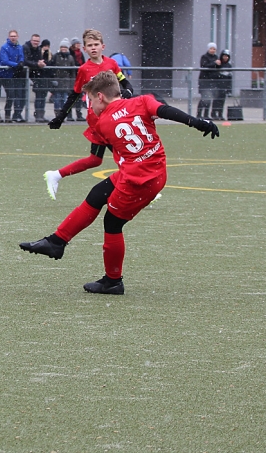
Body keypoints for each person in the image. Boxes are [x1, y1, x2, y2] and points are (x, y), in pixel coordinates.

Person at [20, 71, 219, 295]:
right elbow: (165, 110)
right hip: (152, 171)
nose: (90, 106)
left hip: (138, 180)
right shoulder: (142, 102)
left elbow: (97, 153)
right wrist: (197, 122)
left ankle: (112, 281)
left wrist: (64, 117)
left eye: (91, 101)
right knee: (97, 194)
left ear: (100, 96)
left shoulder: (102, 122)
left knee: (112, 223)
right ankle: (56, 241)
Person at [52, 29, 133, 130]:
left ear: (103, 46)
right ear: (84, 49)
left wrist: (128, 91)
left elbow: (125, 82)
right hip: (95, 115)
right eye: (90, 45)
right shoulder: (83, 69)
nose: (93, 48)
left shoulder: (112, 64)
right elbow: (75, 95)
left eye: (96, 44)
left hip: (114, 113)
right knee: (98, 140)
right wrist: (61, 116)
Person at [0, 29, 25, 123]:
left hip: (9, 75)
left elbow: (21, 57)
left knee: (10, 95)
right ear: (8, 37)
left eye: (14, 36)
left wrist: (21, 62)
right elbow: (4, 61)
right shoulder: (4, 47)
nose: (13, 38)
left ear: (17, 37)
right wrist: (16, 65)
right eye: (11, 36)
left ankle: (7, 115)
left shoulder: (19, 47)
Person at [23, 33, 49, 123]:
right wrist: (37, 64)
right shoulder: (25, 47)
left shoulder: (38, 49)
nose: (36, 42)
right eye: (34, 41)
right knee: (21, 95)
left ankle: (40, 114)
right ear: (31, 40)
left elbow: (39, 60)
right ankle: (35, 115)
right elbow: (25, 61)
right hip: (26, 74)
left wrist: (41, 62)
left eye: (37, 41)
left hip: (36, 74)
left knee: (41, 93)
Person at [50, 39, 76, 121]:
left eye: (65, 47)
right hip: (57, 82)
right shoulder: (56, 56)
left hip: (66, 83)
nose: (63, 49)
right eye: (62, 47)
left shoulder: (70, 58)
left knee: (64, 100)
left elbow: (72, 72)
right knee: (57, 100)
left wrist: (72, 82)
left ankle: (63, 115)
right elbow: (51, 68)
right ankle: (58, 115)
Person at [197, 43, 220, 119]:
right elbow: (204, 66)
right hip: (204, 81)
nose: (212, 50)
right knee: (204, 98)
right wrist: (214, 63)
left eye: (214, 49)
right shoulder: (204, 57)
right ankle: (199, 114)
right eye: (211, 48)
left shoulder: (216, 57)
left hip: (212, 81)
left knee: (209, 99)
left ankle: (206, 115)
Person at [211, 49, 233, 120]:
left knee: (222, 101)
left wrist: (229, 89)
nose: (225, 58)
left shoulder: (229, 66)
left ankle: (220, 114)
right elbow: (214, 74)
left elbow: (230, 78)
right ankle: (214, 113)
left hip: (224, 86)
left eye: (227, 56)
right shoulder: (219, 64)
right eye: (224, 56)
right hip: (217, 86)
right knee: (216, 100)